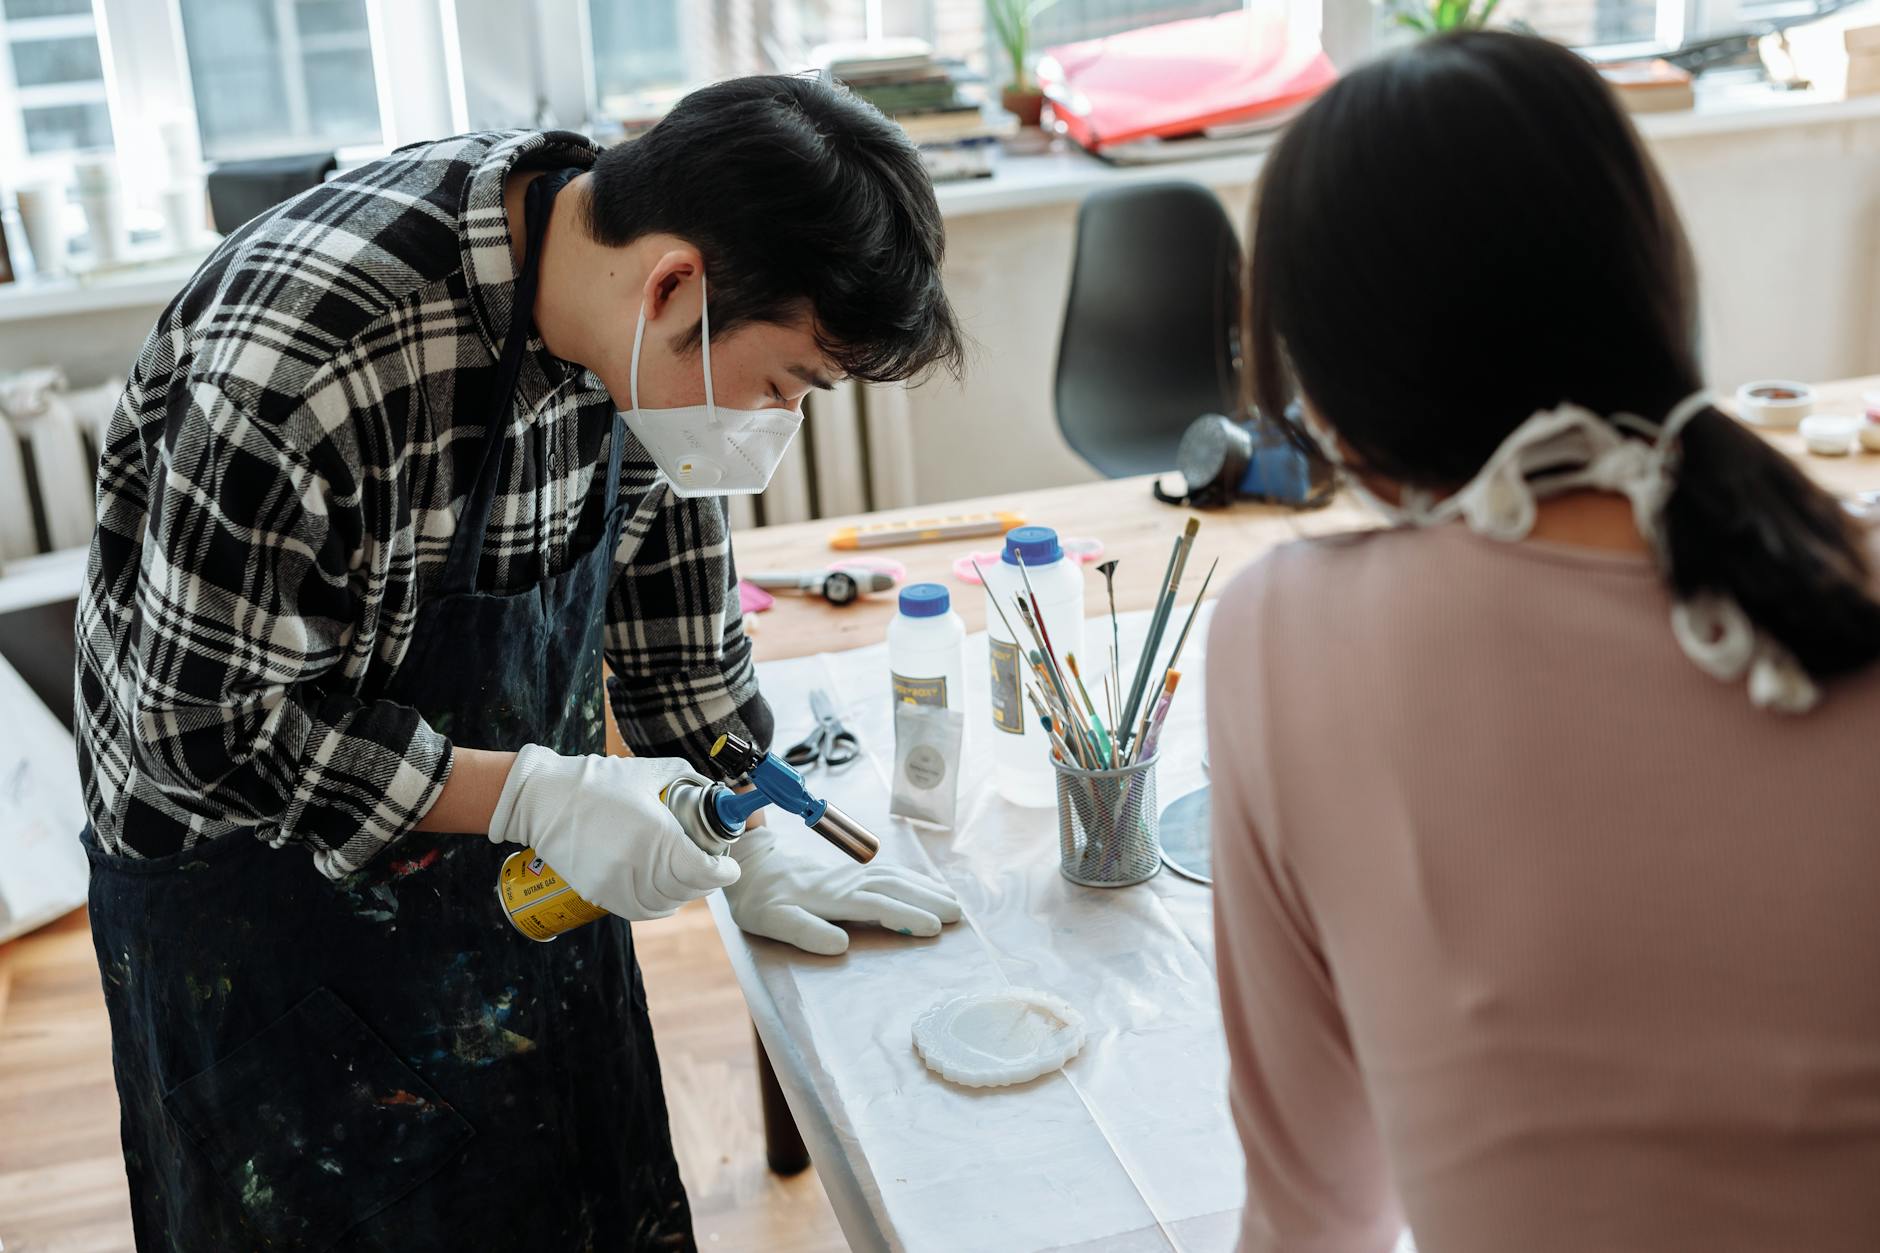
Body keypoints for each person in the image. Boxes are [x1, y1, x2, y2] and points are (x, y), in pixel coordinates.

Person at [74, 76, 966, 1250]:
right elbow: (200, 730)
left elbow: (678, 645)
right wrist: (539, 791)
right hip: (263, 918)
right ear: (673, 287)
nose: (774, 421)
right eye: (788, 384)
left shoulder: (640, 326)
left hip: (514, 879)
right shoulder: (315, 354)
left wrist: (750, 834)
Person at [1207, 31, 1880, 1253]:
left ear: (1339, 390)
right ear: (1645, 284)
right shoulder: (1838, 570)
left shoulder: (1285, 635)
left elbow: (1314, 1217)